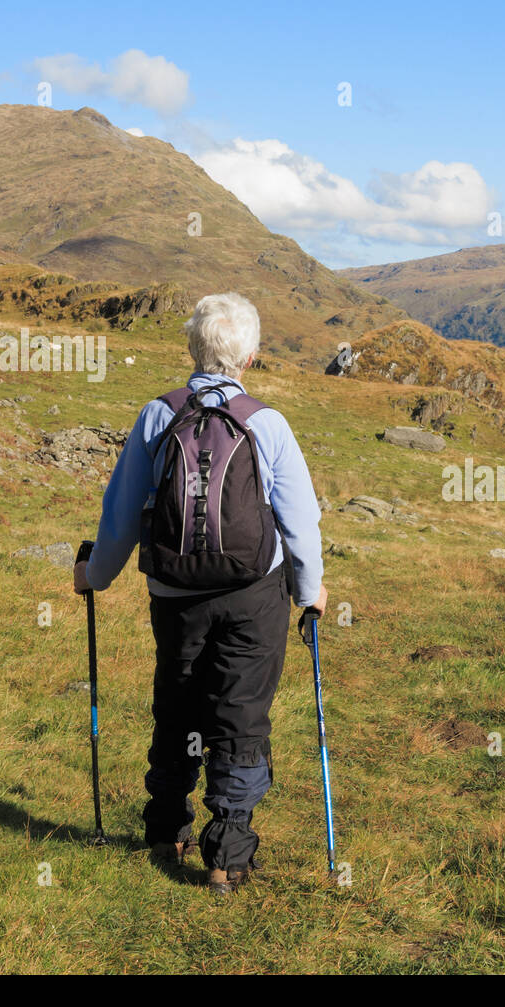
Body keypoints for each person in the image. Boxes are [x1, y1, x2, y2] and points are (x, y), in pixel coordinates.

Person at [74, 292, 327, 894]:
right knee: (239, 714)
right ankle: (226, 858)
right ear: (251, 355)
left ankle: (165, 831)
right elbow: (299, 518)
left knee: (179, 704)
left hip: (175, 591)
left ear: (192, 346)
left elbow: (122, 515)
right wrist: (310, 591)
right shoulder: (266, 422)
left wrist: (96, 575)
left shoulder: (158, 415)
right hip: (252, 594)